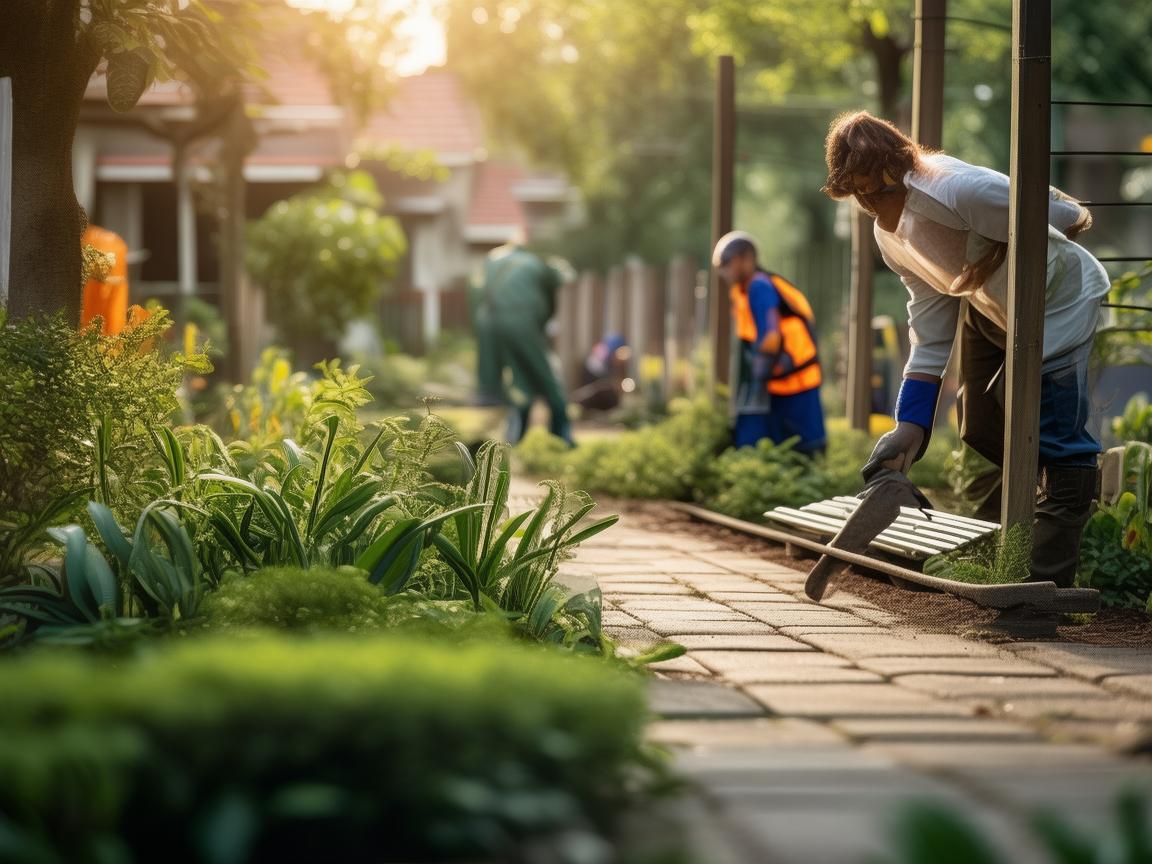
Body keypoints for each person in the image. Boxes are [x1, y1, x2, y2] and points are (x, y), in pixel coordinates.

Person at [822, 110, 1107, 590]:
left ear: (902, 170)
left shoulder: (961, 190)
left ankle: (1042, 580)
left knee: (1059, 443)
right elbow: (931, 332)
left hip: (1059, 303)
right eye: (861, 195)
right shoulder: (888, 239)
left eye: (880, 189)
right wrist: (908, 425)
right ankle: (1006, 537)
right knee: (981, 422)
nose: (872, 203)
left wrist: (1020, 251)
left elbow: (1062, 215)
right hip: (989, 305)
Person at [713, 231, 827, 455]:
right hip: (783, 379)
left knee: (802, 447)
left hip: (792, 380)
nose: (723, 270)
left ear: (746, 259)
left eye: (728, 262)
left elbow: (771, 336)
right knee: (787, 445)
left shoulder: (759, 287)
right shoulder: (747, 289)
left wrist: (757, 381)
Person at [475, 240, 574, 445]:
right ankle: (561, 433)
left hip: (489, 322)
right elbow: (559, 281)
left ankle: (515, 437)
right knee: (546, 376)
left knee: (518, 381)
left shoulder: (492, 262)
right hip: (521, 320)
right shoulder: (536, 264)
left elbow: (476, 291)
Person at [570, 332, 630, 412]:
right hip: (593, 373)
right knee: (596, 391)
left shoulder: (611, 350)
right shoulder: (605, 353)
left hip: (597, 373)